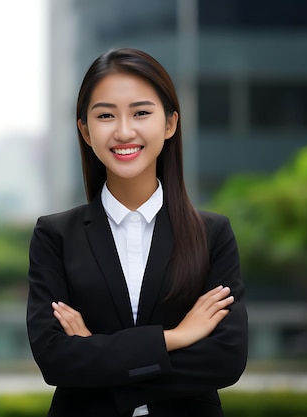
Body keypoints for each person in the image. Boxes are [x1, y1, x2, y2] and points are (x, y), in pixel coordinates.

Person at [26, 48, 248, 417]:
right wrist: (175, 337)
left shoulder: (213, 234)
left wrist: (97, 354)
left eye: (141, 113)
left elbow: (225, 359)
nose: (124, 130)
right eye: (105, 115)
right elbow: (55, 359)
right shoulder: (55, 236)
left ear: (170, 124)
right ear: (85, 130)